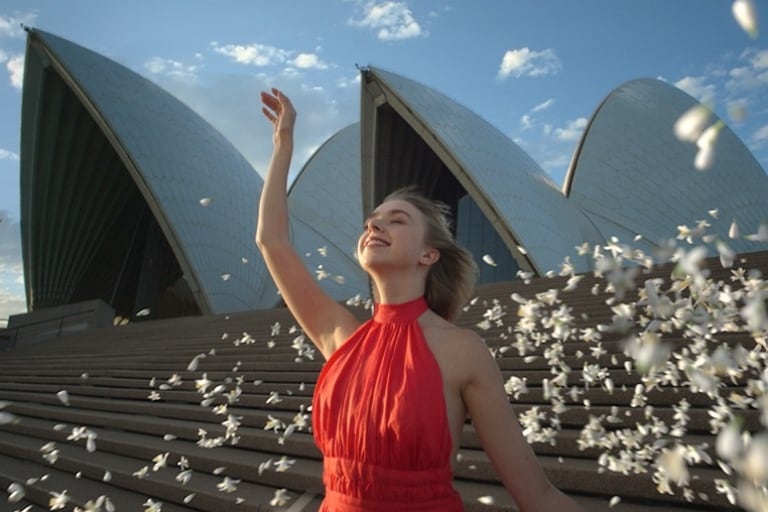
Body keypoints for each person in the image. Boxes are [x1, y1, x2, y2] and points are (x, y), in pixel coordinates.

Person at [256, 88, 587, 512]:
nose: (375, 226)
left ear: (428, 255)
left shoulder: (463, 350)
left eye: (396, 220)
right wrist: (284, 145)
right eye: (371, 221)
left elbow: (536, 494)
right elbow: (272, 241)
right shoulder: (340, 335)